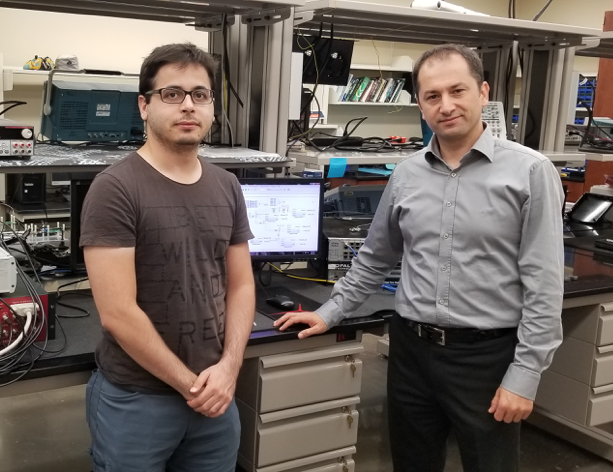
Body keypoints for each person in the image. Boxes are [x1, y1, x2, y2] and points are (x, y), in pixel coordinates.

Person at [274, 43, 565, 472]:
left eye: (457, 91)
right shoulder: (407, 173)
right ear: (421, 106)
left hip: (485, 358)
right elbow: (375, 257)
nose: (446, 106)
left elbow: (544, 284)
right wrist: (331, 312)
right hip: (410, 351)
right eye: (432, 96)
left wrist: (524, 375)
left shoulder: (530, 172)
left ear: (483, 93)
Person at [79, 43, 255, 472]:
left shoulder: (227, 185)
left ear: (212, 107)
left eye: (200, 94)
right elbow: (117, 314)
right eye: (172, 94)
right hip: (138, 401)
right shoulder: (115, 188)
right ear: (144, 105)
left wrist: (229, 369)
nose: (188, 106)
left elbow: (241, 284)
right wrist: (191, 385)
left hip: (216, 395)